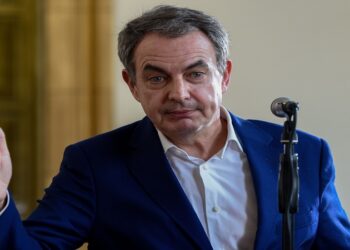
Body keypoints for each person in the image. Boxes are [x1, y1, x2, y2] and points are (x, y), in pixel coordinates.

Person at [0, 5, 349, 250]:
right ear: (132, 84)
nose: (178, 93)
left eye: (195, 74)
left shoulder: (304, 151)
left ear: (224, 75)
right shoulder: (93, 164)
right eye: (156, 77)